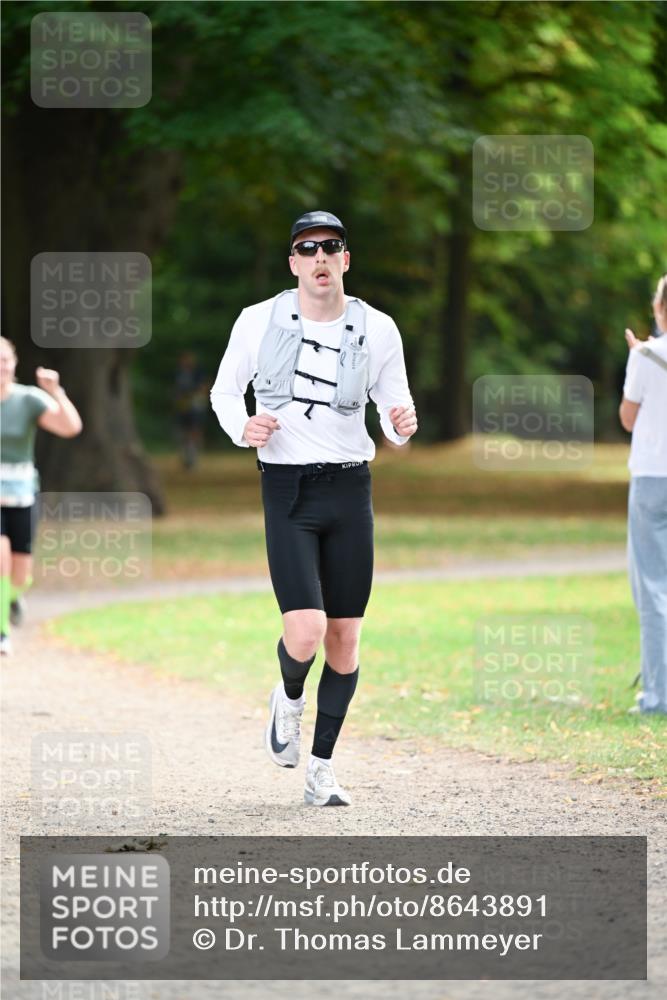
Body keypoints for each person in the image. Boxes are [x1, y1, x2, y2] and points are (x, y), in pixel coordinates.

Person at [211, 211, 417, 805]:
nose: (320, 257)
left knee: (345, 640)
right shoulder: (257, 321)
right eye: (308, 248)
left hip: (351, 490)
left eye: (332, 247)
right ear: (294, 263)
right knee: (305, 631)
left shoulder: (377, 328)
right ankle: (289, 698)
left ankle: (321, 770)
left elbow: (394, 407)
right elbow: (225, 391)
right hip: (287, 489)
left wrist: (401, 426)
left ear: (346, 260)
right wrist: (241, 426)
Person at [0, 337, 83, 655]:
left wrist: (55, 391)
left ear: (14, 364)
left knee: (21, 573)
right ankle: (3, 632)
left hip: (21, 492)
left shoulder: (29, 399)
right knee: (1, 557)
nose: (1, 367)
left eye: (5, 360)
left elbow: (70, 427)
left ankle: (12, 596)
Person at [619, 274, 667, 714]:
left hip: (653, 476)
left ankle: (658, 696)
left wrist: (641, 356)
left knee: (653, 588)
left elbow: (629, 419)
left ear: (659, 308)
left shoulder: (647, 356)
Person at [174, 351, 209, 469]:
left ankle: (193, 457)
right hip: (183, 407)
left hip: (195, 406)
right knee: (184, 432)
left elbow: (203, 388)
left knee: (195, 430)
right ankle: (186, 457)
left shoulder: (198, 373)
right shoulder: (179, 374)